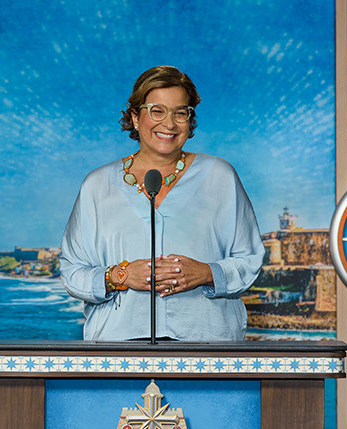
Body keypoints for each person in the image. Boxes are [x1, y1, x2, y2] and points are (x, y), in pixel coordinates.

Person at [60, 66, 264, 341]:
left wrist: (206, 273)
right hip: (118, 347)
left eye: (180, 113)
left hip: (206, 345)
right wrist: (120, 276)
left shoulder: (220, 176)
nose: (169, 124)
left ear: (190, 120)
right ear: (135, 117)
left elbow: (249, 259)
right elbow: (72, 270)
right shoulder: (97, 185)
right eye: (157, 111)